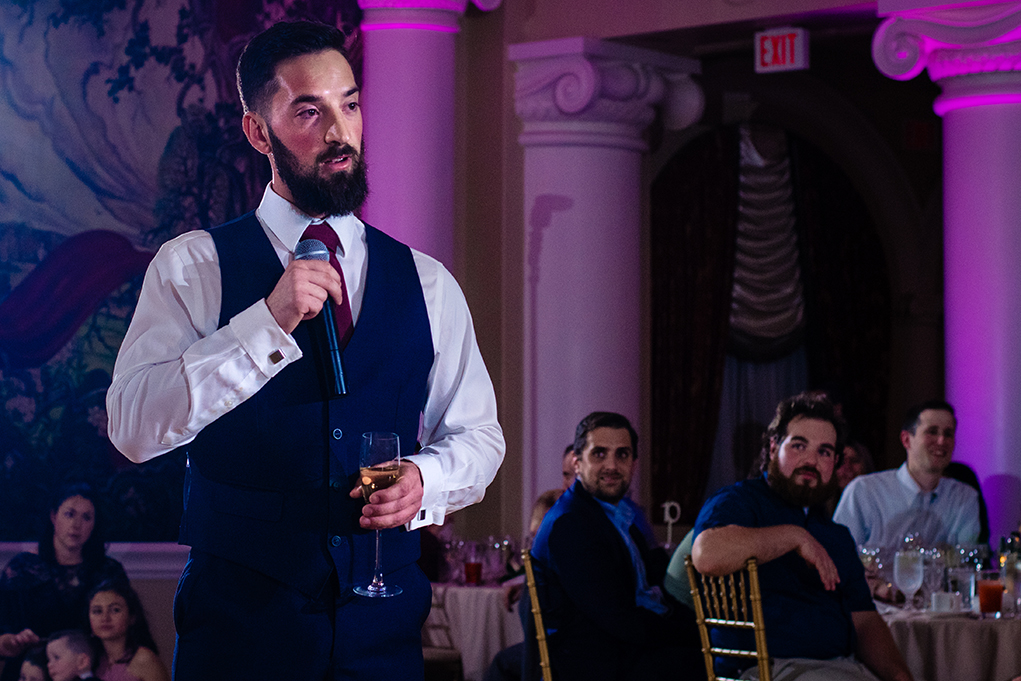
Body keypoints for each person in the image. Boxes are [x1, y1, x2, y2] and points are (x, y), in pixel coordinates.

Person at [105, 19, 504, 680]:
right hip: (238, 637)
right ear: (258, 132)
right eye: (308, 111)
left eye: (349, 104)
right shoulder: (194, 266)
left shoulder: (428, 282)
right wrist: (266, 321)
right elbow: (133, 427)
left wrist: (424, 480)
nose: (338, 130)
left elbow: (479, 436)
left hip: (382, 635)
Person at [691, 392, 913, 681]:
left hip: (842, 668)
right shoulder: (740, 503)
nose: (810, 459)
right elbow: (707, 555)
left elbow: (865, 620)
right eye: (798, 445)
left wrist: (899, 675)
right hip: (764, 670)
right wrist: (794, 537)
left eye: (824, 451)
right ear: (773, 448)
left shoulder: (836, 535)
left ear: (834, 462)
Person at [526, 412, 702, 681]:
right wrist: (695, 631)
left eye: (622, 455)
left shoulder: (622, 516)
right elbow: (617, 618)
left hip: (623, 649)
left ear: (634, 463)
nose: (612, 465)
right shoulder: (570, 523)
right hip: (596, 663)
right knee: (707, 661)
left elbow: (655, 587)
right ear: (577, 462)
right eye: (599, 454)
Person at [0, 485, 128, 681]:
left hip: (87, 672)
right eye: (69, 514)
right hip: (31, 670)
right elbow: (4, 632)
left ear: (94, 524)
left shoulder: (108, 572)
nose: (76, 524)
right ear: (54, 517)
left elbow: (126, 632)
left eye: (86, 517)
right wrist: (10, 642)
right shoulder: (22, 568)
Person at [833, 400, 979, 549]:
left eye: (948, 434)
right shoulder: (864, 491)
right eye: (932, 432)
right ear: (906, 439)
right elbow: (839, 555)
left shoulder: (963, 498)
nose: (941, 441)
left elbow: (965, 562)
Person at [87, 580, 169, 681]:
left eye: (115, 610)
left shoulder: (144, 660)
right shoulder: (92, 660)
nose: (105, 618)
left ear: (132, 617)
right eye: (97, 611)